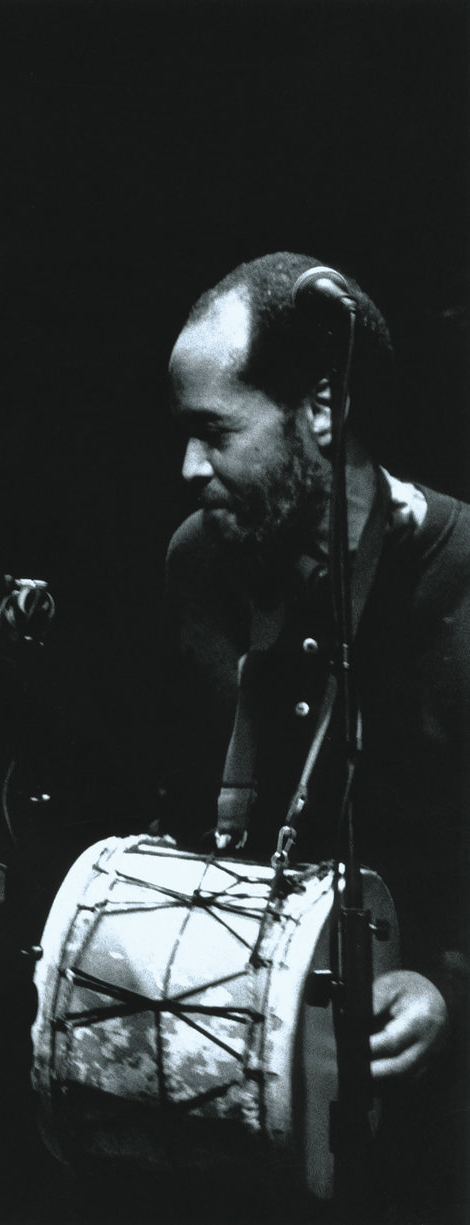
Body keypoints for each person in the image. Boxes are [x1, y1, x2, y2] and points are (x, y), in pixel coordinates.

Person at [156, 252, 468, 1222]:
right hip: (234, 1099)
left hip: (420, 1124)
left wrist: (453, 988)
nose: (189, 468)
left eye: (216, 432)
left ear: (323, 410)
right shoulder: (198, 565)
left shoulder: (461, 581)